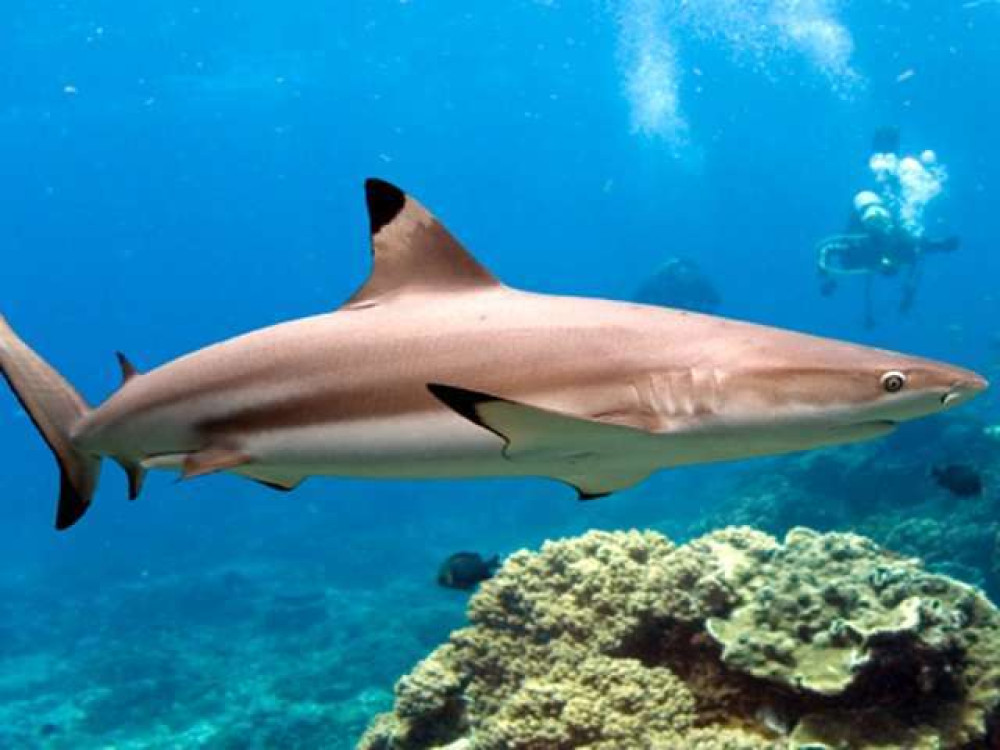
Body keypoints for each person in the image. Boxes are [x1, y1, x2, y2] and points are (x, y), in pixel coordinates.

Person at [817, 127, 959, 327]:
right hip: (874, 223)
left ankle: (883, 156)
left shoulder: (893, 245)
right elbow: (828, 250)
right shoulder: (880, 245)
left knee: (889, 201)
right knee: (888, 204)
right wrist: (942, 246)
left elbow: (827, 250)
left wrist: (825, 273)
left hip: (876, 223)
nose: (887, 264)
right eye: (889, 263)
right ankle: (884, 156)